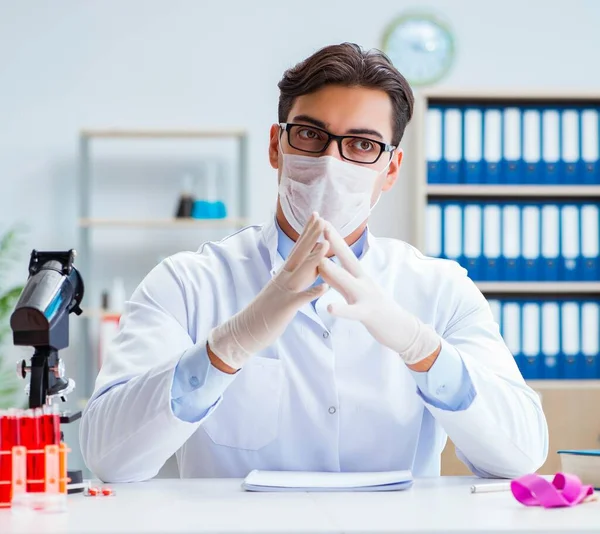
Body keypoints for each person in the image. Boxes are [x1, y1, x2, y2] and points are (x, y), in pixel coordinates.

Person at [80, 43, 548, 483]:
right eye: (309, 134)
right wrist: (230, 345)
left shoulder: (441, 290)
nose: (330, 160)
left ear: (390, 169)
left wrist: (419, 345)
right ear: (275, 146)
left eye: (362, 145)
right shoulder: (185, 284)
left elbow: (521, 456)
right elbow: (109, 458)